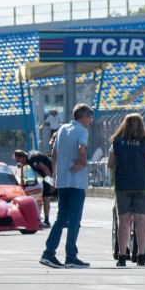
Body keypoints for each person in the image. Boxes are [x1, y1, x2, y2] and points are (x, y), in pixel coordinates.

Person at [39, 103, 94, 269]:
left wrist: (55, 175)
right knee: (75, 220)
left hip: (62, 181)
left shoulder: (62, 129)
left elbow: (54, 152)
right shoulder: (82, 131)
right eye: (90, 118)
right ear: (83, 117)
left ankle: (48, 253)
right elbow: (81, 148)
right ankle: (71, 256)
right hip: (76, 182)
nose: (91, 121)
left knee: (61, 218)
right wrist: (83, 162)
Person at [107, 113, 145, 267]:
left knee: (123, 221)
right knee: (141, 221)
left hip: (122, 185)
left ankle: (122, 256)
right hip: (143, 184)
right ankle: (141, 256)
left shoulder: (116, 142)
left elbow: (110, 164)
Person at [13, 149, 54, 228]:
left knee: (47, 197)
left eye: (18, 160)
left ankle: (47, 221)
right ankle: (48, 220)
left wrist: (51, 183)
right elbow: (26, 162)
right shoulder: (29, 156)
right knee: (46, 196)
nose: (18, 162)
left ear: (22, 157)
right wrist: (21, 165)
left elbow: (46, 169)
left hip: (52, 175)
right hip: (49, 176)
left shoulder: (32, 159)